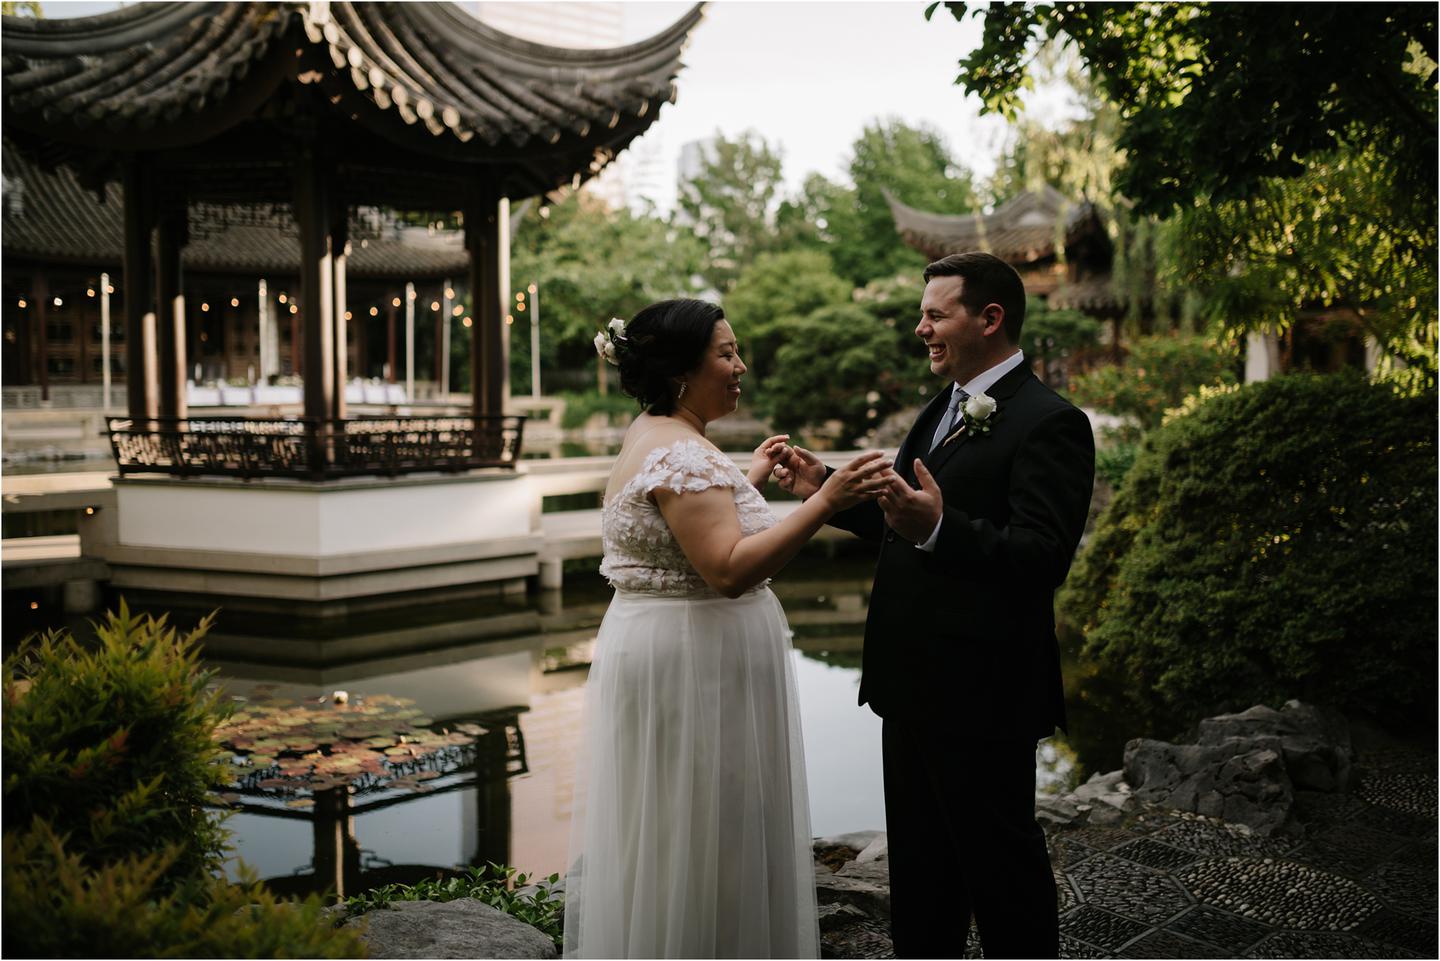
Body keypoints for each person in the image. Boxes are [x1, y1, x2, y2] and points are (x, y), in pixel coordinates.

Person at [774, 252, 1095, 958]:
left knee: (1001, 869)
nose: (921, 328)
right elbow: (903, 515)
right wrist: (821, 486)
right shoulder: (941, 405)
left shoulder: (1052, 423)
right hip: (908, 683)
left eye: (934, 313)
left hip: (984, 691)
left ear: (990, 318)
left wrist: (944, 529)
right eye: (923, 314)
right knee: (921, 870)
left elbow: (1043, 557)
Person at [564, 298, 894, 959]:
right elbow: (726, 569)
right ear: (683, 369)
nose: (741, 366)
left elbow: (683, 531)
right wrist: (827, 499)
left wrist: (742, 482)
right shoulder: (684, 453)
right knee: (710, 823)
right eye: (726, 353)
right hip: (696, 662)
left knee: (675, 822)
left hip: (665, 647)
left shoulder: (652, 431)